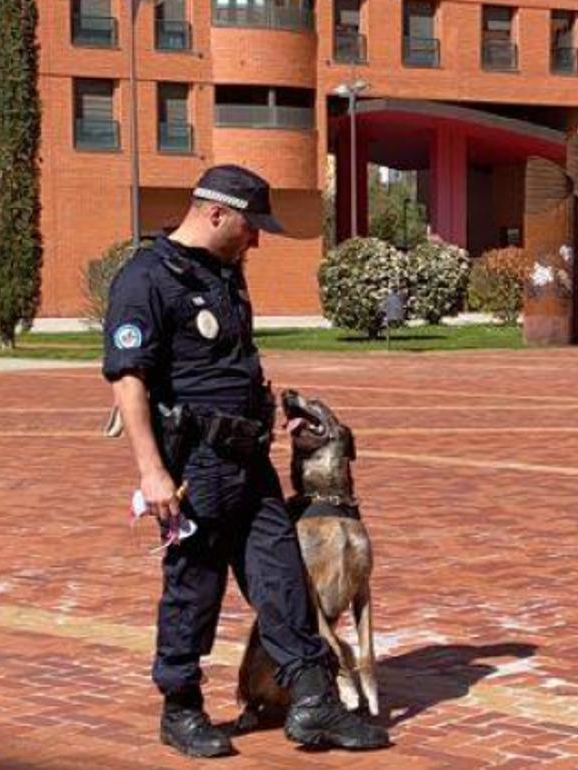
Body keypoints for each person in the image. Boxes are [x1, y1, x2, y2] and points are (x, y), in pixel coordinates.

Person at [102, 165, 391, 758]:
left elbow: (230, 364)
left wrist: (264, 412)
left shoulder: (225, 274)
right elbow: (128, 380)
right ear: (215, 213)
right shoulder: (147, 278)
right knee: (194, 588)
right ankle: (181, 707)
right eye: (250, 226)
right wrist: (152, 471)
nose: (256, 239)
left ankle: (313, 704)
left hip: (248, 459)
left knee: (282, 580)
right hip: (195, 469)